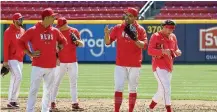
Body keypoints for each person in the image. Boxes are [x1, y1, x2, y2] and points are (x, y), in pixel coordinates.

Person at [18, 8, 67, 112]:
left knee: (48, 91)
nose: (54, 18)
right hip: (38, 65)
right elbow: (20, 42)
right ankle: (29, 110)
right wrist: (29, 53)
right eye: (53, 17)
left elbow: (64, 41)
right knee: (33, 90)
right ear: (46, 18)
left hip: (51, 66)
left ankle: (45, 110)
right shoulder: (33, 30)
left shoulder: (55, 31)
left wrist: (60, 47)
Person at [104, 7, 148, 112]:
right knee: (118, 87)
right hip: (120, 64)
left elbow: (144, 46)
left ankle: (130, 110)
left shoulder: (140, 29)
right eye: (126, 15)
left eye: (130, 16)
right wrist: (106, 34)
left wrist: (135, 39)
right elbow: (107, 42)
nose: (127, 17)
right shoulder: (118, 27)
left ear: (135, 17)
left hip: (135, 64)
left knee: (133, 89)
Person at [50, 17, 84, 111]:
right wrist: (56, 58)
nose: (59, 27)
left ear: (65, 24)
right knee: (56, 82)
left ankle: (74, 103)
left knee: (73, 83)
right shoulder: (57, 32)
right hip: (60, 62)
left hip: (73, 62)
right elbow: (54, 47)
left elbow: (81, 44)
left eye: (60, 26)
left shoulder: (74, 31)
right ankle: (52, 102)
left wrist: (77, 41)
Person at [147, 20, 182, 112]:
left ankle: (150, 108)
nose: (170, 30)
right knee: (166, 87)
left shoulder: (173, 37)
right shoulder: (156, 36)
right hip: (158, 66)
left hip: (169, 66)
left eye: (172, 28)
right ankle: (169, 109)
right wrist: (162, 51)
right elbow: (150, 51)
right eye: (169, 27)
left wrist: (178, 51)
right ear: (163, 27)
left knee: (161, 91)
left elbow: (176, 49)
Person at [3, 13, 25, 108]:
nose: (21, 20)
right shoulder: (8, 31)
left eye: (21, 19)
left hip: (20, 58)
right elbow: (5, 47)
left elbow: (24, 44)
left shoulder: (22, 30)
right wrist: (5, 61)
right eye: (20, 19)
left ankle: (13, 101)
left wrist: (30, 54)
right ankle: (11, 101)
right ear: (15, 20)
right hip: (12, 59)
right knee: (18, 77)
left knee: (15, 79)